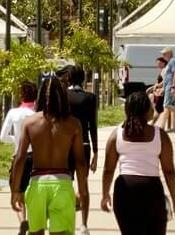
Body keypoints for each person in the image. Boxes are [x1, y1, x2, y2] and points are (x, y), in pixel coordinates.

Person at [101, 90, 175, 234]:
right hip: (151, 191)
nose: (153, 109)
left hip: (124, 190)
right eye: (150, 106)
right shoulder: (160, 136)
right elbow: (169, 171)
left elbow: (108, 170)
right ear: (147, 111)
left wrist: (105, 195)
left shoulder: (116, 135)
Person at [11, 75, 88, 235]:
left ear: (40, 96)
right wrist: (82, 191)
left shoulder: (29, 122)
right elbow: (80, 162)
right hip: (62, 185)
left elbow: (20, 159)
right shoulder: (73, 124)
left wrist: (16, 190)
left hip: (37, 184)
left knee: (35, 232)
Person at [1, 81, 37, 235]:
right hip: (36, 157)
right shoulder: (38, 113)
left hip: (19, 156)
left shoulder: (13, 113)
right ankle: (36, 223)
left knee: (17, 190)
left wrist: (17, 140)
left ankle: (23, 220)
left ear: (21, 95)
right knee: (34, 192)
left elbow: (2, 136)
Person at [66, 65, 98, 235]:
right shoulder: (90, 98)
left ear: (69, 79)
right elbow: (93, 125)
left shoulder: (63, 95)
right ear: (84, 79)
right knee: (83, 186)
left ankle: (67, 219)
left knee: (65, 185)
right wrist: (96, 152)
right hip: (84, 145)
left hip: (65, 146)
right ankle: (84, 225)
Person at [160, 48, 175, 134]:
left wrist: (173, 87)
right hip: (168, 87)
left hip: (170, 87)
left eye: (164, 54)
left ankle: (162, 127)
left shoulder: (173, 61)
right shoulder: (170, 62)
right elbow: (167, 77)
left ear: (169, 54)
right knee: (170, 106)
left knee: (166, 106)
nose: (162, 56)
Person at [146, 56, 167, 126]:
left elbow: (165, 81)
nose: (157, 65)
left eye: (159, 63)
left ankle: (152, 124)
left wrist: (160, 88)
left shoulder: (164, 70)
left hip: (162, 93)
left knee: (158, 109)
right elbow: (159, 82)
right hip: (161, 92)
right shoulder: (163, 70)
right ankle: (170, 125)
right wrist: (151, 88)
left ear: (163, 63)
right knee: (161, 108)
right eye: (157, 63)